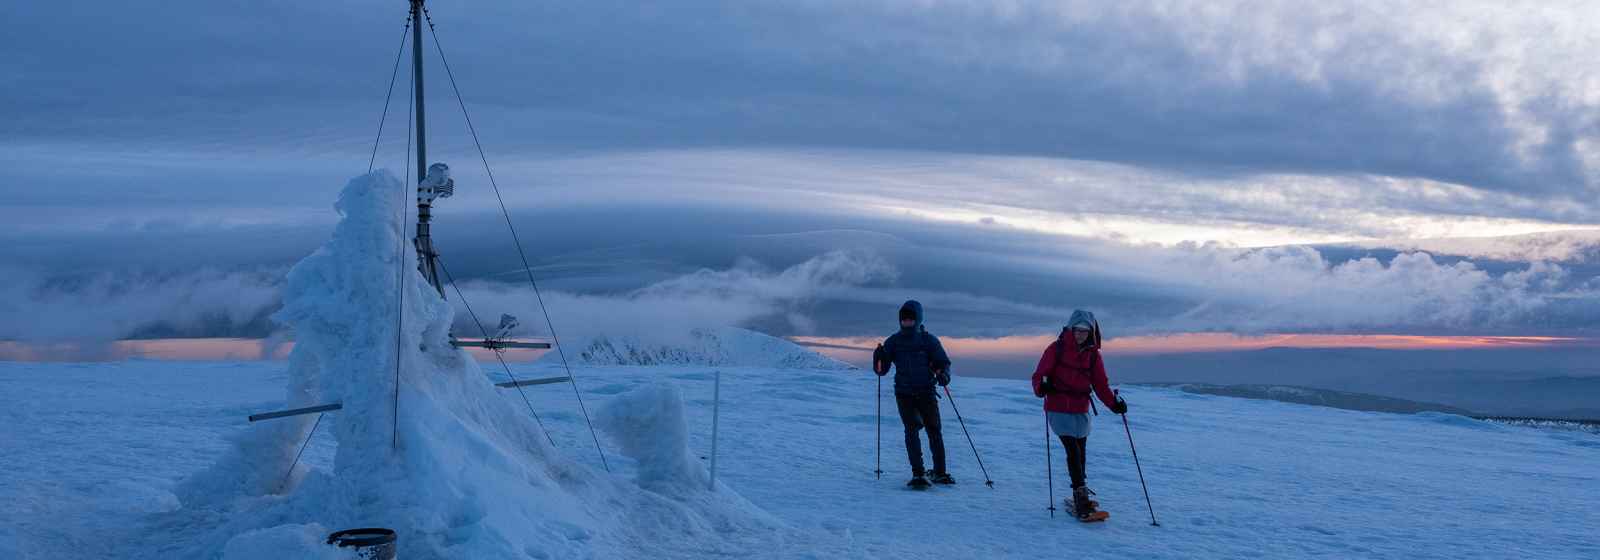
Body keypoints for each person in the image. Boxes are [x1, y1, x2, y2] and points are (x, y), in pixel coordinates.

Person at [1031, 309, 1127, 520]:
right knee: (1073, 450)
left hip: (1080, 409)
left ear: (1091, 332)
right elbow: (1039, 375)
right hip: (1058, 407)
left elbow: (1100, 385)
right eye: (1078, 330)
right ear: (1071, 329)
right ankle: (1080, 496)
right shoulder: (1055, 349)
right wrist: (1041, 388)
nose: (1080, 334)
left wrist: (1114, 404)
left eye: (1085, 331)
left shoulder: (1093, 356)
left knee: (1081, 452)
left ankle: (1079, 491)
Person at [873, 300, 953, 489]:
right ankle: (918, 474)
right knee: (912, 430)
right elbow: (882, 370)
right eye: (904, 320)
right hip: (904, 394)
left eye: (910, 320)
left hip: (926, 391)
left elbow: (943, 363)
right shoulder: (893, 342)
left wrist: (944, 375)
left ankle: (940, 472)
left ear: (918, 319)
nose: (907, 323)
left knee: (934, 430)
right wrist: (878, 358)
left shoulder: (928, 341)